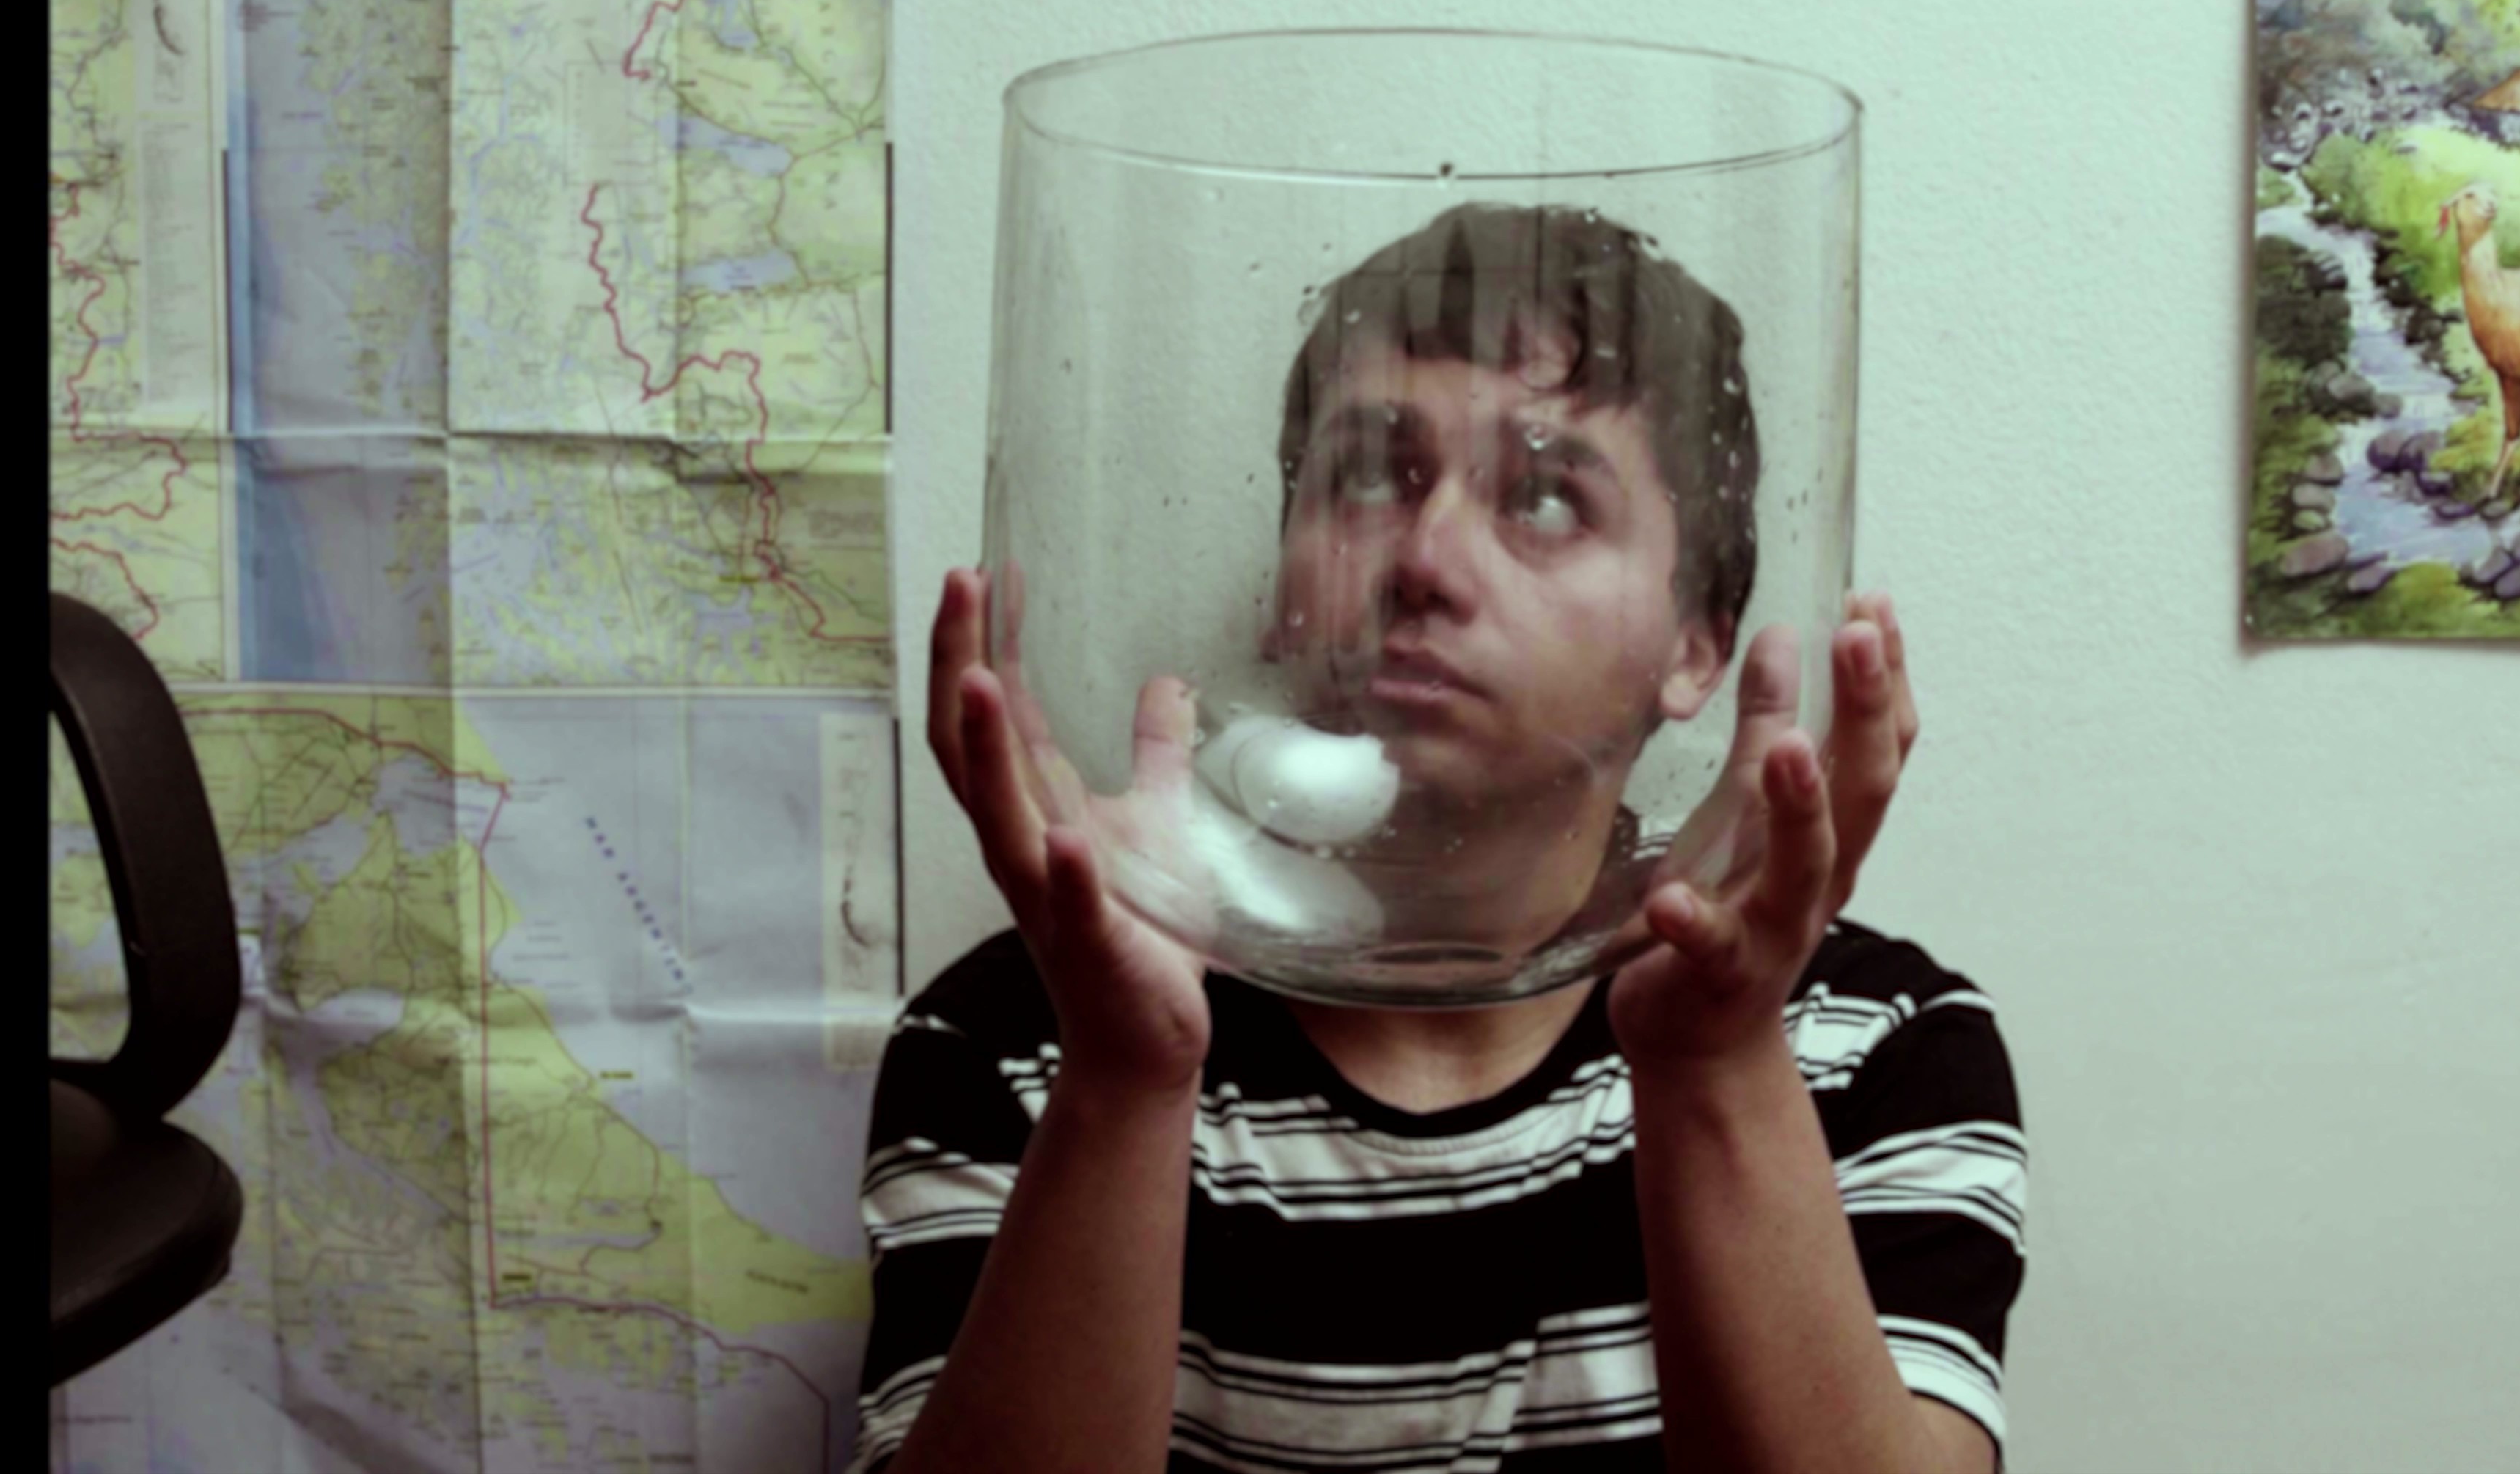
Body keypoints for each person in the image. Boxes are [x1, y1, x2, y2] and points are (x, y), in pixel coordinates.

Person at [853, 205, 2026, 1474]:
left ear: (1698, 643)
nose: (1425, 558)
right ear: (1282, 583)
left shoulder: (1881, 1044)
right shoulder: (1011, 1045)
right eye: (1367, 475)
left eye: (1545, 495)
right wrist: (1126, 1079)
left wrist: (1720, 1059)